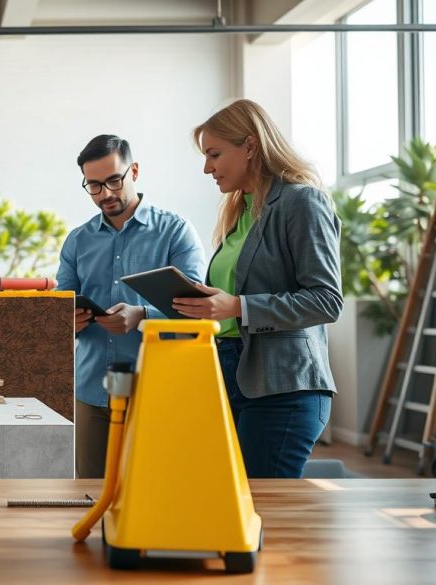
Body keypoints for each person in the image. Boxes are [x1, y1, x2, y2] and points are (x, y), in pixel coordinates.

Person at [173, 99, 342, 478]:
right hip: (232, 378)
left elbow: (326, 300)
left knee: (263, 509)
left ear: (250, 146)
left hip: (285, 387)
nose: (207, 167)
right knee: (232, 508)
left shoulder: (302, 202)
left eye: (214, 154)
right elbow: (231, 301)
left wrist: (238, 307)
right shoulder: (240, 211)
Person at [57, 134, 206, 479]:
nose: (105, 194)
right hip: (91, 389)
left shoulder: (176, 232)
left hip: (156, 389)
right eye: (93, 186)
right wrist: (70, 319)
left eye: (113, 180)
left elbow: (196, 309)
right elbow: (61, 306)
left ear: (134, 171)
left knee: (153, 488)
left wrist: (141, 316)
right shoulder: (77, 240)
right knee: (89, 493)